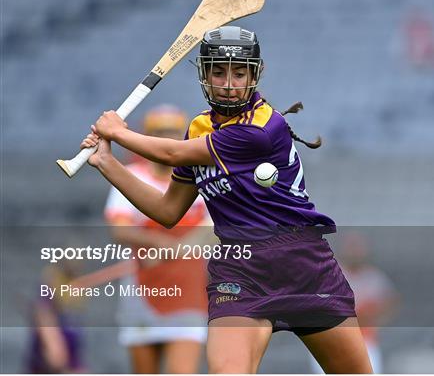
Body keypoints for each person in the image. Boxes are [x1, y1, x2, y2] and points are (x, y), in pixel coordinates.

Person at [80, 26, 373, 373]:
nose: (229, 82)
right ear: (204, 75)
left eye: (239, 72)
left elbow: (172, 153)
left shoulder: (263, 127)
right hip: (240, 271)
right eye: (219, 72)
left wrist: (119, 131)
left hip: (303, 266)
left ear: (255, 74)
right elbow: (168, 210)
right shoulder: (199, 128)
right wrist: (106, 162)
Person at [104, 105, 211, 373]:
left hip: (189, 290)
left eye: (175, 133)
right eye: (160, 133)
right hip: (144, 290)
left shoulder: (200, 177)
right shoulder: (133, 176)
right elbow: (120, 229)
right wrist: (159, 244)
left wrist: (181, 247)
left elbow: (213, 227)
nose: (168, 140)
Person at [310, 234, 399, 373]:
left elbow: (390, 303)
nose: (355, 252)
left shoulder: (373, 278)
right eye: (351, 248)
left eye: (358, 248)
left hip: (365, 342)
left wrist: (374, 319)